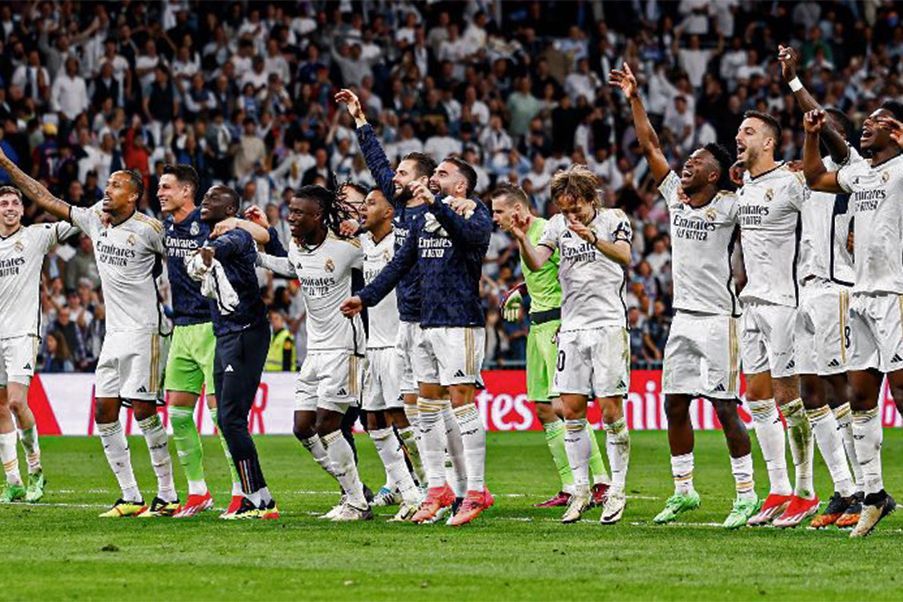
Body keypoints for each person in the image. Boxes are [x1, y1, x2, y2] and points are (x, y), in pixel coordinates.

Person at [610, 63, 758, 529]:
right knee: (674, 402)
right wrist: (635, 98)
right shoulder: (675, 197)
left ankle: (747, 494)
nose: (687, 164)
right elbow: (651, 146)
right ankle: (683, 491)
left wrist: (753, 173)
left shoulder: (731, 205)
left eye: (697, 161)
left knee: (724, 407)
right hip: (683, 319)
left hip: (719, 318)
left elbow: (761, 195)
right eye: (688, 159)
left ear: (715, 175)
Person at [0, 151, 177, 519]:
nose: (107, 190)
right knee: (103, 412)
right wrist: (6, 162)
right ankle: (130, 496)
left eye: (116, 185)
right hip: (113, 334)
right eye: (107, 184)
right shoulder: (95, 220)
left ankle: (168, 495)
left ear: (133, 195)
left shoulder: (150, 229)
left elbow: (181, 262)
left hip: (146, 331)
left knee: (143, 410)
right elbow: (43, 197)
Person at [341, 157, 494, 526]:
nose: (435, 177)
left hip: (459, 321)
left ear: (461, 185)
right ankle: (438, 488)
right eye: (434, 172)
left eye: (443, 173)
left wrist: (437, 204)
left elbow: (471, 239)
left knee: (461, 403)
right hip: (426, 322)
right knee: (425, 406)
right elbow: (400, 263)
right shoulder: (424, 217)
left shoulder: (475, 212)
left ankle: (475, 490)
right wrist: (366, 297)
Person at [508, 165, 632, 525]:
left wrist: (591, 237)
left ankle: (616, 490)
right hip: (572, 327)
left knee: (610, 412)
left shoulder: (614, 219)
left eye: (575, 208)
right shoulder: (555, 226)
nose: (570, 215)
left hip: (608, 325)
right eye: (564, 209)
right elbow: (537, 262)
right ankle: (580, 490)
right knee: (571, 410)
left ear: (591, 199)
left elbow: (624, 256)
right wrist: (522, 239)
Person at [801, 100, 903, 537]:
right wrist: (811, 136)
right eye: (868, 119)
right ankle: (874, 495)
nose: (868, 124)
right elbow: (813, 177)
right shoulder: (860, 174)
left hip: (896, 295)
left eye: (879, 121)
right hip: (861, 297)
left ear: (897, 132)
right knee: (860, 396)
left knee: (901, 394)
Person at [778, 45, 863, 529]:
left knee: (838, 388)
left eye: (822, 127)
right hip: (804, 292)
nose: (813, 127)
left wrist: (794, 81)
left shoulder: (850, 170)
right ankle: (843, 489)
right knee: (811, 392)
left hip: (836, 289)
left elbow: (822, 127)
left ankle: (866, 489)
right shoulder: (807, 179)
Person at [157, 164, 270, 518]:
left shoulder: (211, 222)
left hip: (212, 326)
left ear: (186, 191)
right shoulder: (165, 227)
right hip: (181, 327)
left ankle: (241, 491)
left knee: (222, 415)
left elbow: (261, 235)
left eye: (166, 187)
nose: (160, 193)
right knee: (177, 413)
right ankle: (197, 492)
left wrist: (239, 222)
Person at [492, 183, 612, 509]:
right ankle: (569, 485)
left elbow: (572, 270)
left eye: (499, 211)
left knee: (566, 407)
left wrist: (567, 318)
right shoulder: (525, 236)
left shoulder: (548, 229)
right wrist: (519, 290)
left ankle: (601, 481)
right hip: (537, 326)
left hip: (557, 323)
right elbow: (540, 271)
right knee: (544, 409)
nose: (495, 218)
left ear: (517, 210)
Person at [257, 185, 372, 522]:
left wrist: (362, 227)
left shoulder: (347, 248)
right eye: (290, 211)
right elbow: (293, 266)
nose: (291, 218)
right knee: (303, 426)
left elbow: (384, 256)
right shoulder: (297, 246)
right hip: (315, 350)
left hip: (345, 347)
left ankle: (357, 502)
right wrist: (256, 257)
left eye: (298, 212)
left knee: (328, 424)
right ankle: (354, 490)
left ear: (318, 215)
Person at [734, 110, 817, 528]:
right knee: (757, 398)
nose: (739, 136)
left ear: (768, 142)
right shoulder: (745, 186)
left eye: (748, 132)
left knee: (788, 398)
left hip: (784, 302)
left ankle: (806, 491)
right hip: (751, 302)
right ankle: (779, 488)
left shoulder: (791, 182)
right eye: (739, 131)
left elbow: (825, 204)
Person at [196, 184, 277, 520]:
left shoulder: (236, 236)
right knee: (227, 419)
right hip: (226, 334)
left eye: (213, 198)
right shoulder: (219, 234)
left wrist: (208, 253)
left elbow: (226, 246)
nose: (205, 200)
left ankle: (260, 501)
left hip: (244, 333)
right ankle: (257, 497)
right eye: (205, 196)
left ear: (230, 211)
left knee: (231, 418)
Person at [0, 186, 77, 503]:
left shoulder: (36, 236)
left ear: (22, 209)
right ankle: (13, 480)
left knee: (17, 403)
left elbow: (74, 220)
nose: (9, 208)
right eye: (3, 203)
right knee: (0, 407)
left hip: (22, 334)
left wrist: (99, 210)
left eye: (15, 203)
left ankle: (36, 471)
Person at [358, 187, 423, 519]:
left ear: (389, 212)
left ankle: (430, 488)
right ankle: (408, 493)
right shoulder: (364, 244)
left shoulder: (402, 242)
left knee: (404, 418)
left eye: (371, 203)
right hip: (374, 345)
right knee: (374, 421)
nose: (363, 208)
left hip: (399, 343)